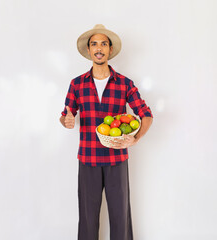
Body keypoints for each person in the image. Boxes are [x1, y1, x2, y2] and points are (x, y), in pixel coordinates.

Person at [60, 24, 153, 240]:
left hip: (116, 161)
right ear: (89, 50)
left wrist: (135, 139)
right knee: (87, 220)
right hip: (88, 159)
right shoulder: (77, 84)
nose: (99, 48)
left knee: (120, 219)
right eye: (94, 44)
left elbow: (146, 114)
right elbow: (65, 115)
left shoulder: (124, 83)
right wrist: (67, 120)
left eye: (103, 44)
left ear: (110, 50)